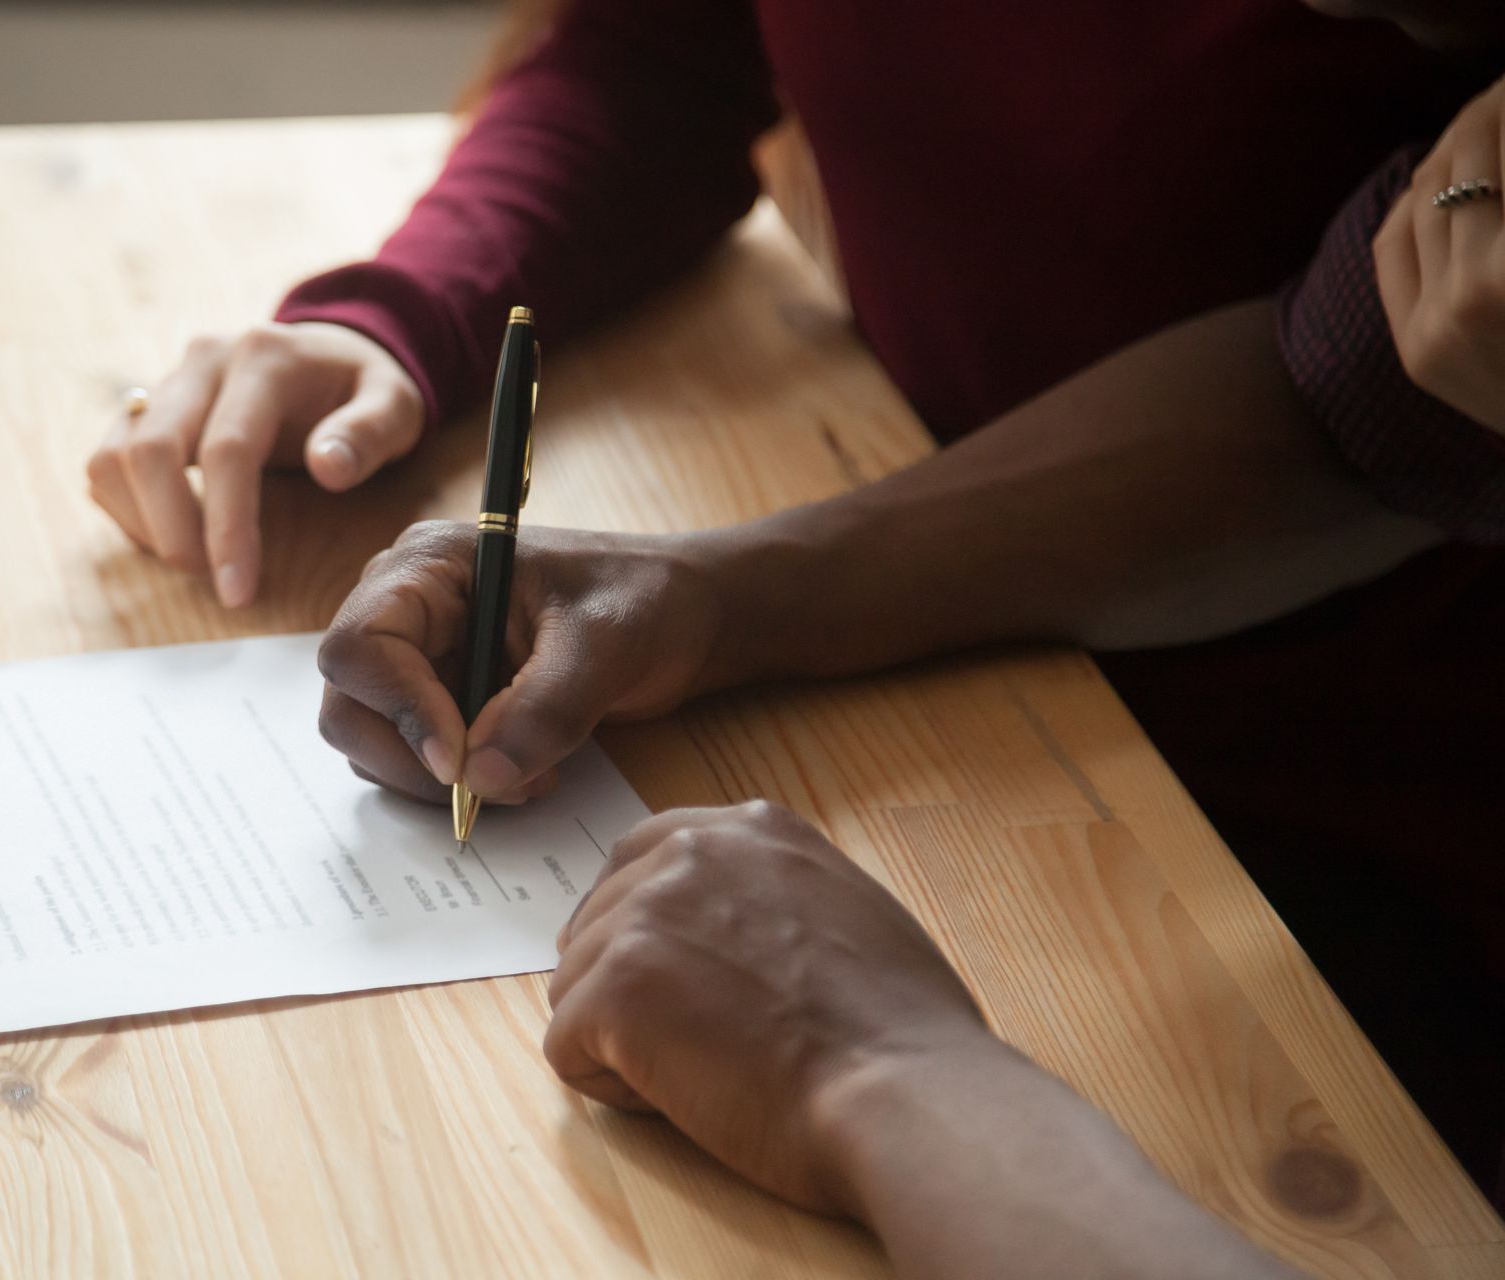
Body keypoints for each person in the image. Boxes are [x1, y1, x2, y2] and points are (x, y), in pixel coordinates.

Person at [91, 0, 1505, 1240]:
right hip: (977, 710)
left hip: (1368, 855)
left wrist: (880, 1074)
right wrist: (403, 317)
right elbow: (674, 44)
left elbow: (1339, 410)